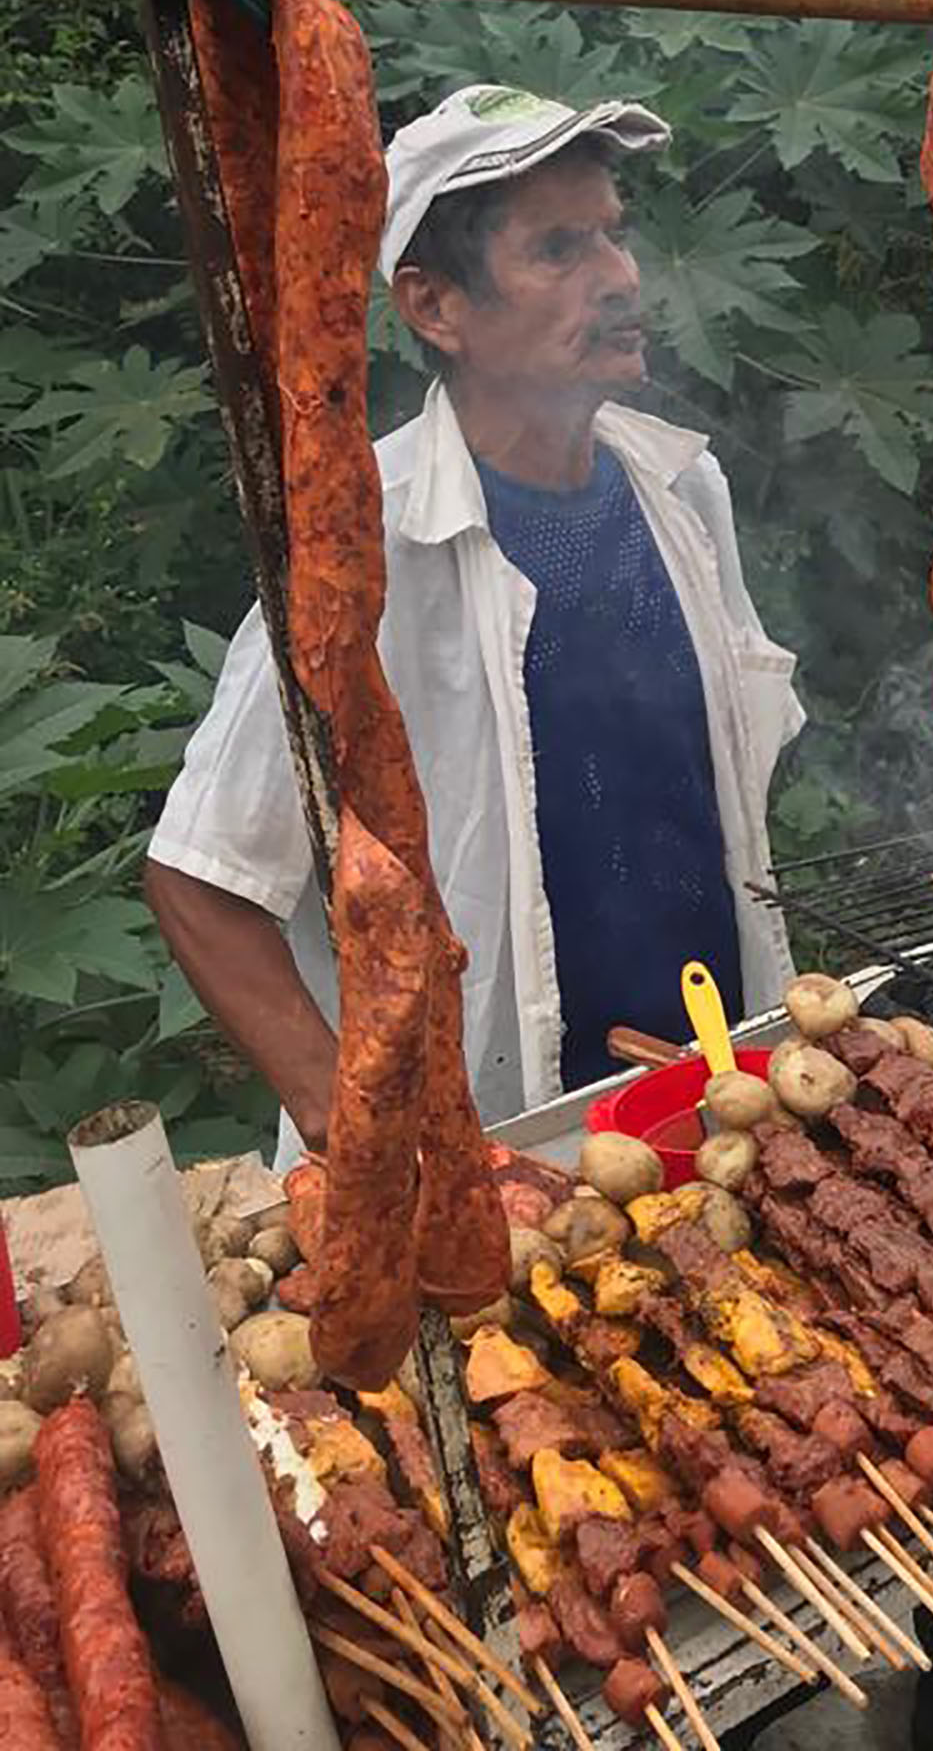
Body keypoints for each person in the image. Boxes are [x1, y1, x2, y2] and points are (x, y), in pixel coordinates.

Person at [144, 83, 801, 1156]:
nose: (621, 278)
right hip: (501, 1154)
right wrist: (348, 1122)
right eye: (559, 249)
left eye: (611, 237)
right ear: (436, 306)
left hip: (723, 1094)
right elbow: (200, 875)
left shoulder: (686, 492)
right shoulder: (368, 548)